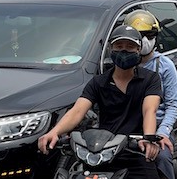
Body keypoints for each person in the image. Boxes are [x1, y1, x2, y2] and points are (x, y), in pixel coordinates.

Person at [38, 25, 162, 179]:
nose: (124, 51)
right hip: (101, 154)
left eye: (130, 47)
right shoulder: (98, 82)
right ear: (111, 49)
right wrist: (55, 132)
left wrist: (149, 138)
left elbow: (149, 110)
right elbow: (77, 111)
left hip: (135, 151)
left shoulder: (151, 79)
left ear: (138, 50)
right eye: (119, 46)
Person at [125, 10, 177, 179]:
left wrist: (163, 132)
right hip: (129, 125)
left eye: (149, 35)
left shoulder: (165, 66)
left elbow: (173, 105)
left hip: (158, 125)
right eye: (140, 35)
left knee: (162, 157)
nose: (145, 40)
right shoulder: (123, 64)